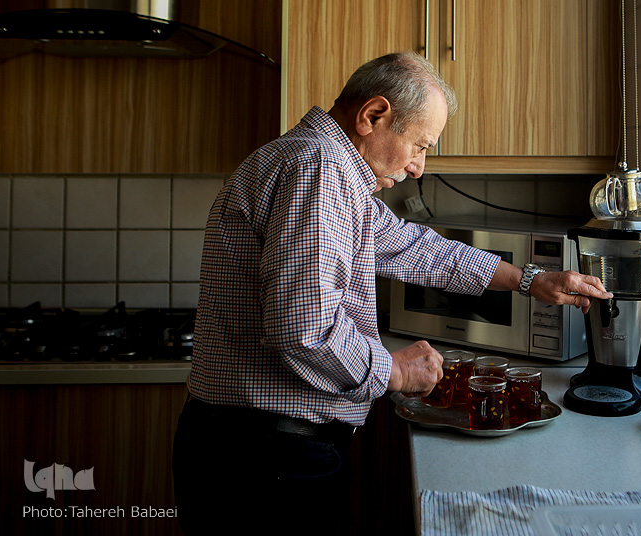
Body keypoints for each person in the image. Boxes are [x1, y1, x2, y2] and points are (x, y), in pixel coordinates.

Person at [171, 51, 612, 533]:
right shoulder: (319, 169)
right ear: (373, 116)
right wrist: (396, 371)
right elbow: (306, 330)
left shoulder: (329, 169)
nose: (419, 167)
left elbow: (412, 247)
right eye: (420, 145)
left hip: (255, 449)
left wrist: (529, 280)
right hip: (266, 457)